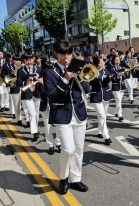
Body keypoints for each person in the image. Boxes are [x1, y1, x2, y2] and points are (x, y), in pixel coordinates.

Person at [43, 40, 88, 194]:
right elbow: (53, 96)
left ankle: (76, 179)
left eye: (69, 53)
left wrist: (81, 77)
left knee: (79, 149)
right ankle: (63, 177)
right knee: (68, 150)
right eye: (63, 54)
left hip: (79, 113)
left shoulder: (77, 67)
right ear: (56, 53)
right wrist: (65, 79)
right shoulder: (49, 72)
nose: (66, 57)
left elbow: (87, 89)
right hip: (62, 115)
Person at [17, 52, 42, 140]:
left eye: (30, 59)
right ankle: (34, 131)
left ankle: (36, 128)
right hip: (26, 93)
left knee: (37, 113)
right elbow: (18, 82)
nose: (29, 61)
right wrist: (26, 82)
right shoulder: (20, 70)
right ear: (23, 60)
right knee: (32, 113)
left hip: (37, 92)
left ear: (33, 59)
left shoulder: (38, 68)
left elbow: (43, 77)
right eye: (26, 60)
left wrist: (38, 78)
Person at [90, 56, 114, 145]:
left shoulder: (106, 70)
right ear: (96, 64)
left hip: (106, 95)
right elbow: (90, 82)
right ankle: (106, 136)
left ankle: (100, 131)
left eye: (103, 62)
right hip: (96, 95)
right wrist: (95, 77)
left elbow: (107, 81)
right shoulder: (91, 72)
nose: (103, 64)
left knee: (103, 116)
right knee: (102, 115)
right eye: (100, 63)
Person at [110, 55, 126, 121]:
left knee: (119, 100)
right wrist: (117, 77)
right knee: (118, 99)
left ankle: (116, 112)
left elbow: (125, 77)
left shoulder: (121, 67)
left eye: (118, 60)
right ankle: (120, 114)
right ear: (113, 61)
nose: (117, 61)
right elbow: (111, 77)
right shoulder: (111, 68)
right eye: (116, 60)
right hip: (115, 85)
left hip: (121, 85)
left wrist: (123, 74)